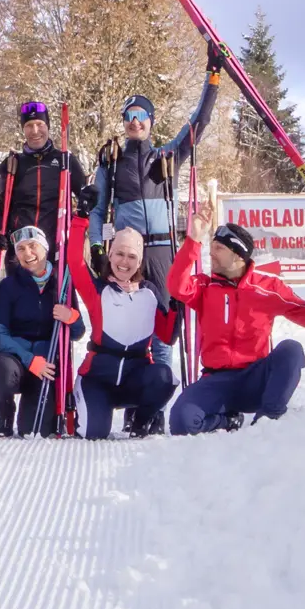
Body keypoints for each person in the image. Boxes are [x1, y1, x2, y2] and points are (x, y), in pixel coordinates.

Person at [88, 46, 223, 374]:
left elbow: (199, 122)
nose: (135, 122)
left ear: (151, 120)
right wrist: (95, 245)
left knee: (164, 328)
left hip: (163, 252)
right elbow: (97, 208)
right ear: (124, 123)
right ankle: (135, 396)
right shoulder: (112, 161)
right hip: (126, 255)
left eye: (140, 115)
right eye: (129, 117)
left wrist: (213, 77)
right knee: (130, 327)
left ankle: (156, 400)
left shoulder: (167, 156)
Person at [167, 203, 305, 435]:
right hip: (217, 380)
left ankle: (268, 419)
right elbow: (177, 286)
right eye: (211, 247)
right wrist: (193, 238)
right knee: (181, 422)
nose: (211, 253)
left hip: (257, 379)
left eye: (218, 248)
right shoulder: (205, 286)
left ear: (237, 255)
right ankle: (228, 420)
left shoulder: (268, 288)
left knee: (291, 350)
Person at [68, 187, 177, 440]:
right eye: (119, 253)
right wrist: (81, 217)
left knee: (163, 376)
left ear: (139, 262)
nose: (124, 262)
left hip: (135, 378)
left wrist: (175, 307)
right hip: (98, 379)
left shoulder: (150, 292)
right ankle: (86, 407)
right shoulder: (98, 289)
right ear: (110, 253)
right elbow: (74, 261)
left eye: (131, 256)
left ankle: (140, 419)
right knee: (94, 434)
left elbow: (167, 334)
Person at [0, 225, 86, 437]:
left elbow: (78, 332)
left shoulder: (62, 283)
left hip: (47, 363)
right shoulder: (9, 286)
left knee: (35, 430)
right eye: (20, 249)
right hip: (15, 359)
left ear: (45, 248)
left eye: (32, 246)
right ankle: (5, 412)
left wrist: (72, 318)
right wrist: (29, 359)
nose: (27, 253)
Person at [0, 102, 86, 268]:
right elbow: (1, 208)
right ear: (23, 129)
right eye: (29, 125)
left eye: (40, 124)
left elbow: (86, 199)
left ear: (48, 126)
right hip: (22, 251)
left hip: (56, 248)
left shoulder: (65, 160)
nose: (35, 131)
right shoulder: (13, 164)